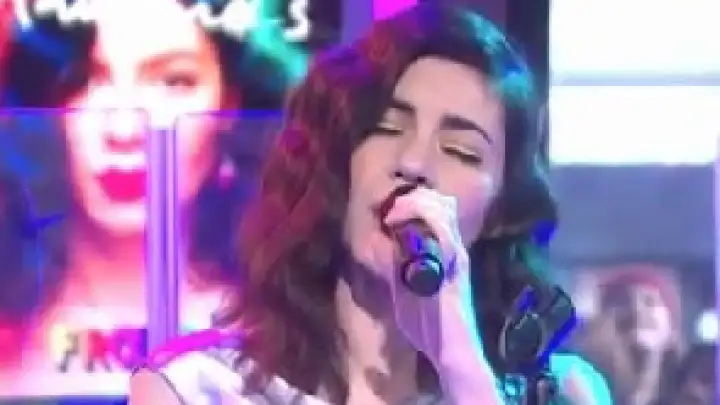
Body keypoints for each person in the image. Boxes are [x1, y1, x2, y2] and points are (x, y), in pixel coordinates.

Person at [130, 3, 611, 404]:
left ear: (497, 213)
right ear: (339, 159)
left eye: (460, 151)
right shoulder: (195, 391)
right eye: (387, 127)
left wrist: (461, 364)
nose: (414, 163)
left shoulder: (560, 391)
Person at [0, 0, 298, 395]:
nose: (124, 130)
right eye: (87, 80)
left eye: (173, 82)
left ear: (231, 106)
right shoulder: (11, 329)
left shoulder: (291, 325)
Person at [574, 264, 682, 405]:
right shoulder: (576, 382)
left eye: (650, 301)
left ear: (671, 325)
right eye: (622, 301)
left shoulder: (693, 387)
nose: (637, 310)